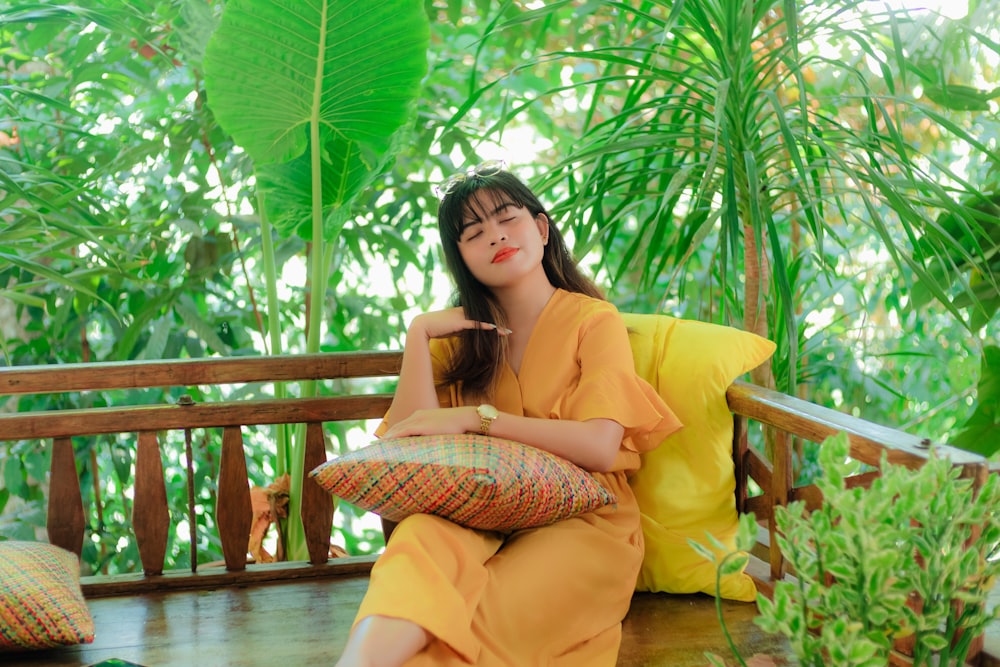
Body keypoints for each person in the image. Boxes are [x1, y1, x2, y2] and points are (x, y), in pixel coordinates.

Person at [335, 161, 681, 666]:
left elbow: (601, 445)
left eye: (507, 218)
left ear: (541, 228)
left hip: (583, 522)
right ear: (462, 258)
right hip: (473, 515)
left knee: (474, 628)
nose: (495, 237)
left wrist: (479, 419)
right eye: (474, 233)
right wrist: (417, 334)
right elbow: (406, 454)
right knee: (417, 542)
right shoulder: (454, 343)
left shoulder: (593, 322)